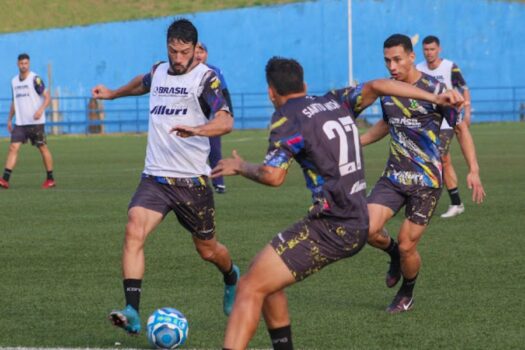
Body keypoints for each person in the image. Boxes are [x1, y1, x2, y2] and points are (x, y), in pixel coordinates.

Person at [213, 57, 463, 350]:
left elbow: (273, 176)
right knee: (264, 280)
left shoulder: (286, 118)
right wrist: (434, 96)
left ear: (271, 92)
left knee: (249, 287)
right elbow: (377, 86)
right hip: (354, 217)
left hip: (333, 225)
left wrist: (241, 166)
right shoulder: (334, 101)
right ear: (304, 85)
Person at [91, 18, 239, 335]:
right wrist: (113, 94)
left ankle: (231, 276)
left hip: (191, 184)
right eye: (173, 50)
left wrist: (198, 129)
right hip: (155, 179)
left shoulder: (206, 80)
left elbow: (226, 121)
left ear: (195, 49)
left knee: (208, 250)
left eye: (184, 51)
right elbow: (143, 82)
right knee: (133, 229)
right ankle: (131, 310)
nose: (177, 57)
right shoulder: (159, 70)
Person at [361, 34, 485, 314]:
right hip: (393, 177)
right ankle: (390, 252)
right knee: (365, 230)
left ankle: (407, 291)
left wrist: (474, 170)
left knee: (408, 247)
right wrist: (358, 142)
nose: (391, 66)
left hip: (426, 183)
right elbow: (386, 122)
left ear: (411, 56)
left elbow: (461, 129)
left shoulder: (436, 89)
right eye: (387, 60)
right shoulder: (387, 89)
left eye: (397, 59)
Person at [416, 35, 472, 218]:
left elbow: (464, 88)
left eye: (432, 49)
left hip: (447, 118)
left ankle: (454, 203)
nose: (429, 53)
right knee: (431, 158)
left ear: (439, 49)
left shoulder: (449, 67)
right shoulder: (418, 69)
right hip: (426, 120)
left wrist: (467, 111)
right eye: (426, 49)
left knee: (439, 156)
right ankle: (450, 202)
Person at [0, 53, 54, 189]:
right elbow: (15, 101)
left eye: (26, 63)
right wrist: (9, 119)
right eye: (21, 63)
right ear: (17, 64)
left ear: (29, 64)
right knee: (13, 147)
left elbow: (48, 97)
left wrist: (41, 110)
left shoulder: (35, 79)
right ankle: (5, 179)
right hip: (20, 123)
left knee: (42, 148)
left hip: (36, 123)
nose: (23, 66)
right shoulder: (14, 81)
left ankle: (50, 178)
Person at [194, 42, 233, 194]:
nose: (198, 55)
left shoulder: (214, 71)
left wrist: (229, 115)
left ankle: (218, 182)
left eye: (201, 52)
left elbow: (224, 93)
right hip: (192, 119)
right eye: (195, 51)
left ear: (206, 54)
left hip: (212, 118)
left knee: (215, 149)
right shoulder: (185, 71)